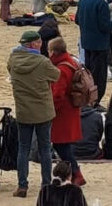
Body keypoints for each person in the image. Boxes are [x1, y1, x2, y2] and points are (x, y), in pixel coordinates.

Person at [8, 31, 61, 198]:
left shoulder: (13, 59)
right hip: (43, 111)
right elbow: (56, 75)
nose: (41, 45)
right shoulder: (42, 62)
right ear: (32, 44)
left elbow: (10, 70)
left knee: (23, 148)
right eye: (39, 42)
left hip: (23, 110)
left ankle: (22, 186)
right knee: (45, 148)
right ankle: (46, 184)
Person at [76, 0, 112, 106]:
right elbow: (105, 26)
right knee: (99, 77)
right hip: (100, 45)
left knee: (89, 75)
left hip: (86, 43)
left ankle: (89, 100)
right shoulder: (101, 3)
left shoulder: (82, 1)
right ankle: (95, 102)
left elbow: (77, 20)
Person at [48, 38, 86, 186]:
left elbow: (58, 95)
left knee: (60, 144)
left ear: (53, 52)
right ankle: (73, 173)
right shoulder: (71, 61)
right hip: (71, 110)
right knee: (63, 145)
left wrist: (50, 110)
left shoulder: (61, 69)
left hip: (62, 113)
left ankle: (75, 173)